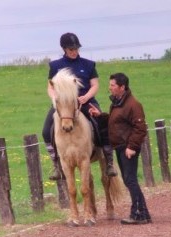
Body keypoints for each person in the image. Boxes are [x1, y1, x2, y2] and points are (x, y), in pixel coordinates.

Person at [42, 32, 117, 180]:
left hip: (85, 101)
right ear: (64, 49)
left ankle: (109, 162)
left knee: (103, 125)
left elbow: (95, 85)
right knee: (46, 130)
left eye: (76, 48)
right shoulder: (55, 66)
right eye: (71, 49)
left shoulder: (88, 64)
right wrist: (55, 97)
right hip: (64, 104)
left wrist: (87, 96)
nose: (74, 51)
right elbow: (50, 87)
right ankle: (56, 165)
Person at [89, 72, 152, 225]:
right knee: (129, 180)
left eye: (112, 85)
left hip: (127, 148)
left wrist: (132, 147)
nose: (109, 88)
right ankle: (143, 213)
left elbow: (140, 128)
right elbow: (115, 121)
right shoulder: (118, 103)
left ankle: (138, 213)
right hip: (120, 147)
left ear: (122, 87)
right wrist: (100, 115)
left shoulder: (133, 105)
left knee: (130, 180)